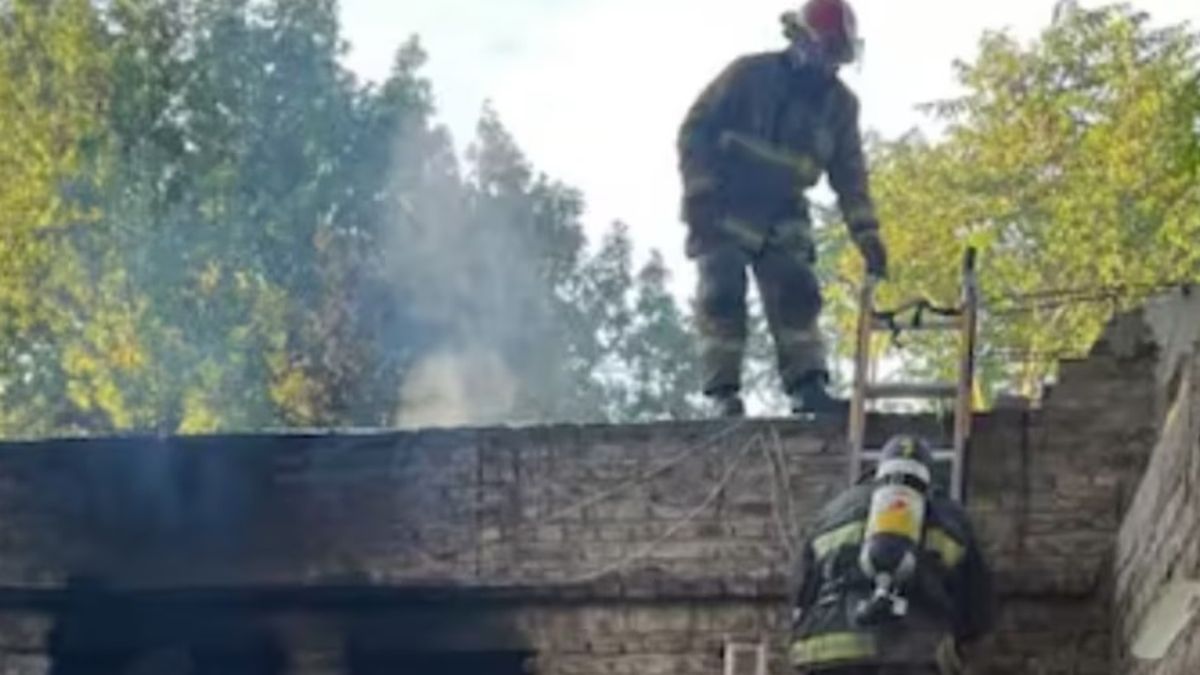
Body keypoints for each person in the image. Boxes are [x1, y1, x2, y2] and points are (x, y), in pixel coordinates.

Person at [677, 0, 887, 417]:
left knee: (797, 291)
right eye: (826, 53)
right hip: (726, 200)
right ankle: (723, 394)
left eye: (838, 57)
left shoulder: (841, 106)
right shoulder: (748, 76)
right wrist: (700, 192)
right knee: (722, 293)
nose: (831, 67)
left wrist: (867, 234)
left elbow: (850, 175)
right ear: (802, 42)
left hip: (784, 208)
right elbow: (694, 132)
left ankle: (808, 386)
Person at [789, 435, 995, 674]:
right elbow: (978, 612)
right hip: (914, 653)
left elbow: (799, 594)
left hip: (827, 652)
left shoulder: (830, 513)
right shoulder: (950, 517)